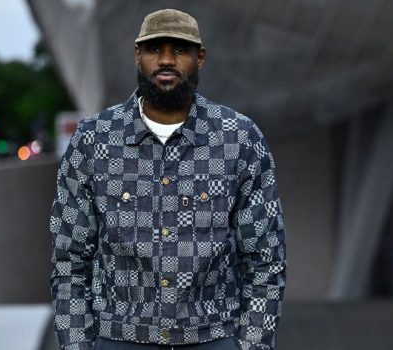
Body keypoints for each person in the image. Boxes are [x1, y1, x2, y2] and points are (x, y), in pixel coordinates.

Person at [49, 8, 286, 350]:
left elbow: (266, 258)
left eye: (179, 50)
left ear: (199, 57)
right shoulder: (93, 140)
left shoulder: (239, 139)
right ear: (137, 55)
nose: (165, 60)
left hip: (214, 338)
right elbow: (68, 260)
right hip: (120, 339)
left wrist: (252, 345)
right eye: (154, 49)